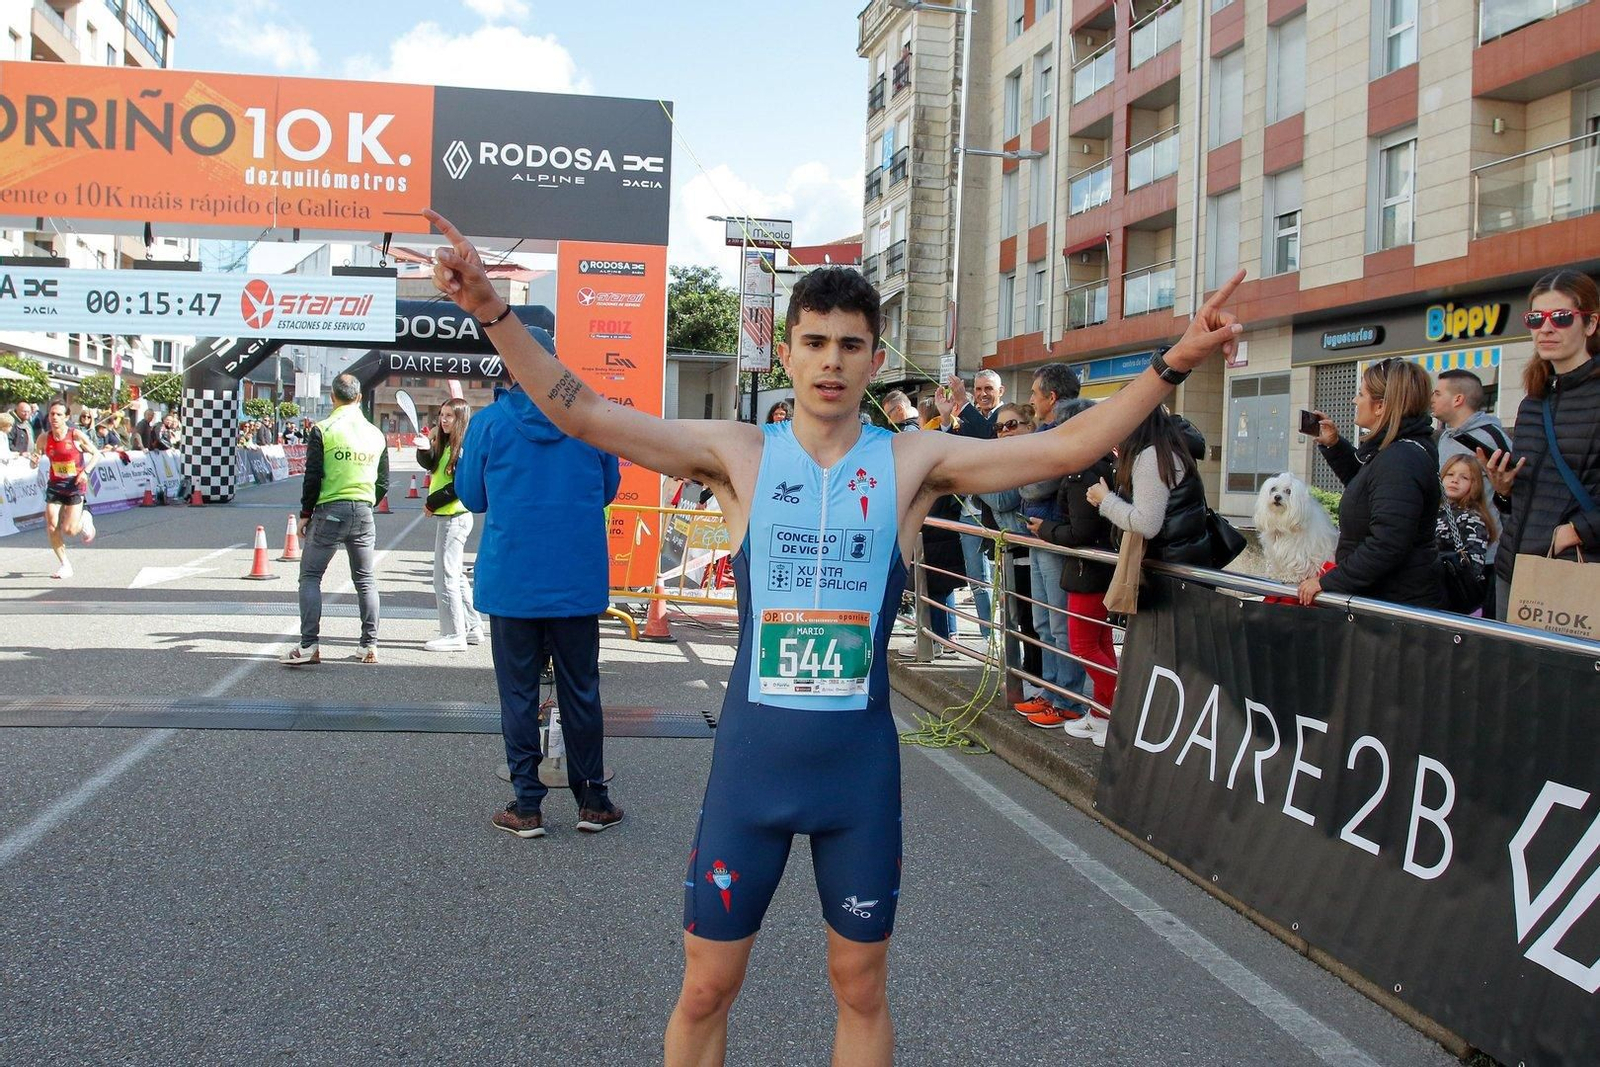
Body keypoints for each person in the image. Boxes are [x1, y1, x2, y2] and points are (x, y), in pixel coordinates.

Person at [425, 207, 1244, 1066]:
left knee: (859, 986)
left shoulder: (912, 462)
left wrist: (1173, 361)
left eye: (851, 345)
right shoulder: (737, 452)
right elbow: (584, 412)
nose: (831, 360)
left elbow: (1067, 443)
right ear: (787, 352)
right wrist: (494, 313)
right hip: (752, 771)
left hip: (856, 777)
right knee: (705, 985)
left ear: (875, 359)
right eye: (814, 342)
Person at [452, 361, 624, 837]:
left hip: (513, 583)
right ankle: (593, 800)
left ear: (510, 373)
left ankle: (527, 805)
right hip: (575, 580)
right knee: (581, 691)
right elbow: (608, 488)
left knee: (518, 694)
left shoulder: (489, 422)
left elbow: (471, 496)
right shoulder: (588, 418)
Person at [1481, 270, 1600, 619]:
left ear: (1590, 324)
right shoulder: (1533, 400)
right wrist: (1503, 490)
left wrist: (1578, 531)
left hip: (1574, 570)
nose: (1546, 328)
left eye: (1561, 318)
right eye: (1536, 318)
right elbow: (1529, 497)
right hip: (1514, 568)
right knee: (1511, 672)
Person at [1303, 359, 1444, 608]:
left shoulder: (1401, 458)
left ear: (1380, 406)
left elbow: (1387, 543)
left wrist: (1328, 581)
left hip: (1393, 606)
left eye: (1361, 394)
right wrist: (1335, 445)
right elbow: (1367, 490)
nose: (1355, 401)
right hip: (1388, 599)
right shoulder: (1395, 453)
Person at [280, 374, 389, 666]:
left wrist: (305, 514)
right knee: (365, 579)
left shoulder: (323, 429)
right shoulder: (376, 434)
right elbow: (384, 482)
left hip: (329, 510)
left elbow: (312, 476)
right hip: (364, 512)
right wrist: (367, 501)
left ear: (333, 397)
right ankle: (369, 646)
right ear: (358, 397)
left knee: (311, 577)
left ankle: (308, 646)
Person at [1027, 397, 1118, 747]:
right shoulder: (1103, 463)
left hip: (1087, 571)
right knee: (1100, 642)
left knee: (1083, 644)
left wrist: (1045, 529)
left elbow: (1081, 532)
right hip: (1097, 569)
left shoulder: (1084, 471)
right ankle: (1102, 711)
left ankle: (1112, 709)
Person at [1009, 363, 1089, 727]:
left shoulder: (1067, 432)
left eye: (1035, 394)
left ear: (1052, 397)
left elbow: (1037, 484)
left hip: (1056, 535)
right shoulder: (1048, 431)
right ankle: (1053, 689)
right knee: (1043, 621)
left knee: (1059, 623)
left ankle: (1069, 698)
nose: (1030, 401)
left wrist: (1025, 477)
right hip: (1039, 533)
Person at [976, 403, 1045, 697]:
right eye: (1000, 428)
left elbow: (1003, 500)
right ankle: (1027, 676)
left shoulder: (1032, 457)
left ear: (1030, 426)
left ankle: (1039, 681)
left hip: (1031, 549)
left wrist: (975, 478)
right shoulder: (1006, 459)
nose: (1005, 432)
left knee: (1035, 621)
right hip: (1009, 549)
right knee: (1017, 618)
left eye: (1012, 425)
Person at [416, 398, 484, 652]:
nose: (443, 420)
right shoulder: (446, 443)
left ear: (461, 419)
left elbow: (458, 485)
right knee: (455, 575)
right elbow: (433, 465)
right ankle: (473, 626)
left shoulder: (464, 446)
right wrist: (424, 449)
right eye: (442, 415)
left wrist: (432, 503)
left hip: (454, 517)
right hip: (451, 517)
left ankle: (453, 634)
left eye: (449, 416)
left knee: (444, 578)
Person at [28, 400, 101, 579]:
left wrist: (86, 471)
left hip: (75, 485)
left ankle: (84, 520)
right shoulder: (44, 438)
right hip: (55, 485)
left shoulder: (75, 435)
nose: (54, 417)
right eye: (52, 414)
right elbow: (33, 461)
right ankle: (65, 564)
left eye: (59, 414)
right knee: (51, 524)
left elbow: (97, 454)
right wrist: (33, 461)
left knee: (69, 530)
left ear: (66, 417)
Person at [1437, 454, 1495, 616]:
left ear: (1474, 484)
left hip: (1453, 597)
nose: (1455, 480)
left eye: (1464, 477)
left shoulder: (1472, 518)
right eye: (1450, 474)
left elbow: (1474, 566)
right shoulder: (1434, 511)